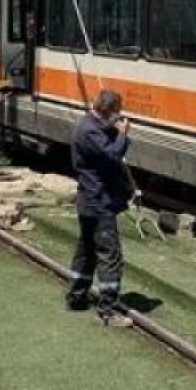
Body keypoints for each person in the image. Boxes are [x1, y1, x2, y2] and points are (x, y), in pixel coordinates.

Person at [66, 89, 134, 327]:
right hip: (99, 202)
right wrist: (122, 135)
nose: (118, 116)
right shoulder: (89, 131)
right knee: (110, 256)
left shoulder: (89, 126)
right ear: (106, 110)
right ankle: (108, 310)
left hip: (88, 201)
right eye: (116, 112)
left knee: (86, 252)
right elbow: (113, 155)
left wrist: (114, 130)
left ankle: (76, 296)